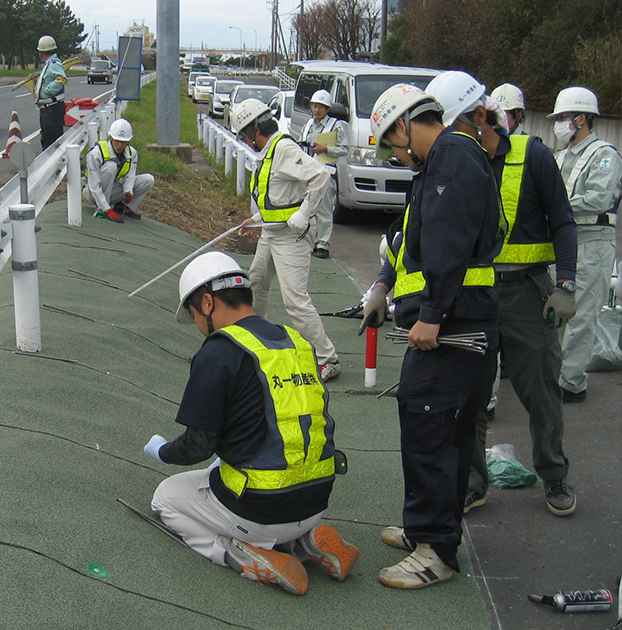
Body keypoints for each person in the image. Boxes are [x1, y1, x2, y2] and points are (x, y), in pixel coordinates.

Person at [144, 251, 359, 596]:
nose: (198, 324)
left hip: (259, 511)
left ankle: (240, 555)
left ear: (208, 302)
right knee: (225, 477)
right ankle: (303, 542)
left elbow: (197, 446)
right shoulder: (297, 342)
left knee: (166, 498)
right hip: (317, 499)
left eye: (194, 314)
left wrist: (162, 451)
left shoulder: (218, 351)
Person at [363, 83, 502, 589]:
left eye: (394, 145)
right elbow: (409, 240)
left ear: (404, 124)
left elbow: (447, 243)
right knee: (442, 431)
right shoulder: (439, 165)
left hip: (455, 326)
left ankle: (435, 551)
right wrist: (383, 285)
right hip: (458, 322)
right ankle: (427, 529)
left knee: (431, 431)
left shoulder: (449, 160)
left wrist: (434, 315)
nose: (397, 155)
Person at [427, 71, 578, 517]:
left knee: (541, 391)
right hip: (474, 295)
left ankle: (553, 474)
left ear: (480, 116)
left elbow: (564, 221)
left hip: (526, 294)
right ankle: (475, 482)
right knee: (473, 395)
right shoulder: (458, 160)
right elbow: (420, 224)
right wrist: (383, 279)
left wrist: (566, 283)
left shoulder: (534, 156)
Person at [231, 98, 342, 382]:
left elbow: (320, 176)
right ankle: (254, 341)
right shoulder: (269, 152)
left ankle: (326, 359)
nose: (247, 141)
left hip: (292, 236)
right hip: (272, 231)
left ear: (255, 130)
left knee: (294, 300)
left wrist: (305, 213)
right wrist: (256, 221)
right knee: (256, 281)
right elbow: (275, 195)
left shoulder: (284, 148)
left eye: (245, 135)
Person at [549, 87, 622, 403]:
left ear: (581, 119)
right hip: (563, 238)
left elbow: (599, 198)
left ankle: (571, 383)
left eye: (564, 117)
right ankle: (554, 375)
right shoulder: (559, 156)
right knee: (554, 308)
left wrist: (556, 204)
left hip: (594, 241)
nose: (560, 124)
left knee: (582, 313)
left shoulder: (605, 154)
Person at [300, 89, 349, 259]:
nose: (317, 110)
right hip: (309, 171)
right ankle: (313, 241)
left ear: (327, 109)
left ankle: (323, 244)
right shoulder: (308, 125)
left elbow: (344, 149)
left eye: (321, 107)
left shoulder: (336, 126)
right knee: (309, 207)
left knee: (324, 209)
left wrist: (325, 148)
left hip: (326, 171)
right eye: (315, 106)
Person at [83, 118, 155, 223]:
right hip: (93, 193)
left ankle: (122, 207)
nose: (120, 145)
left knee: (148, 179)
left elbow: (130, 176)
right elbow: (94, 186)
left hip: (112, 189)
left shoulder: (132, 153)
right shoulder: (96, 153)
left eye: (123, 142)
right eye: (117, 141)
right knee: (111, 167)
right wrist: (106, 209)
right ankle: (102, 208)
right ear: (110, 137)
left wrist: (128, 192)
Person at [35, 35, 67, 150]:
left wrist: (48, 91)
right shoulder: (49, 64)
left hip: (51, 109)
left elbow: (61, 79)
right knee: (49, 140)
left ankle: (52, 166)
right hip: (50, 109)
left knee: (50, 142)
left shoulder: (53, 64)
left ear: (43, 51)